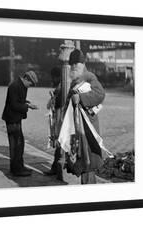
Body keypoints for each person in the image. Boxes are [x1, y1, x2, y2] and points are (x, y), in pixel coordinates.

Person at [65, 49, 105, 184]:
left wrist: (81, 98)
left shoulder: (90, 77)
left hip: (88, 127)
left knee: (88, 163)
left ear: (83, 63)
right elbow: (69, 101)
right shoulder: (74, 81)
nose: (74, 66)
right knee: (81, 161)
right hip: (77, 127)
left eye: (77, 63)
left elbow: (100, 94)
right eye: (72, 63)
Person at [2, 70, 39, 176]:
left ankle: (20, 166)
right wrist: (28, 106)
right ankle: (16, 169)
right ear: (26, 79)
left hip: (16, 118)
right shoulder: (14, 86)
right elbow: (14, 105)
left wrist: (26, 102)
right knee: (15, 145)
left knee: (20, 143)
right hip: (12, 119)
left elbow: (18, 101)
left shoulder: (21, 85)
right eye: (30, 84)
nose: (30, 86)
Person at [44, 67, 63, 176]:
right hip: (58, 119)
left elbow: (56, 104)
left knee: (59, 143)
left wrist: (53, 97)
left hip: (59, 120)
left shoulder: (61, 87)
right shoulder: (59, 87)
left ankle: (56, 168)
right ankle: (55, 167)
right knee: (58, 144)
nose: (52, 79)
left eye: (53, 77)